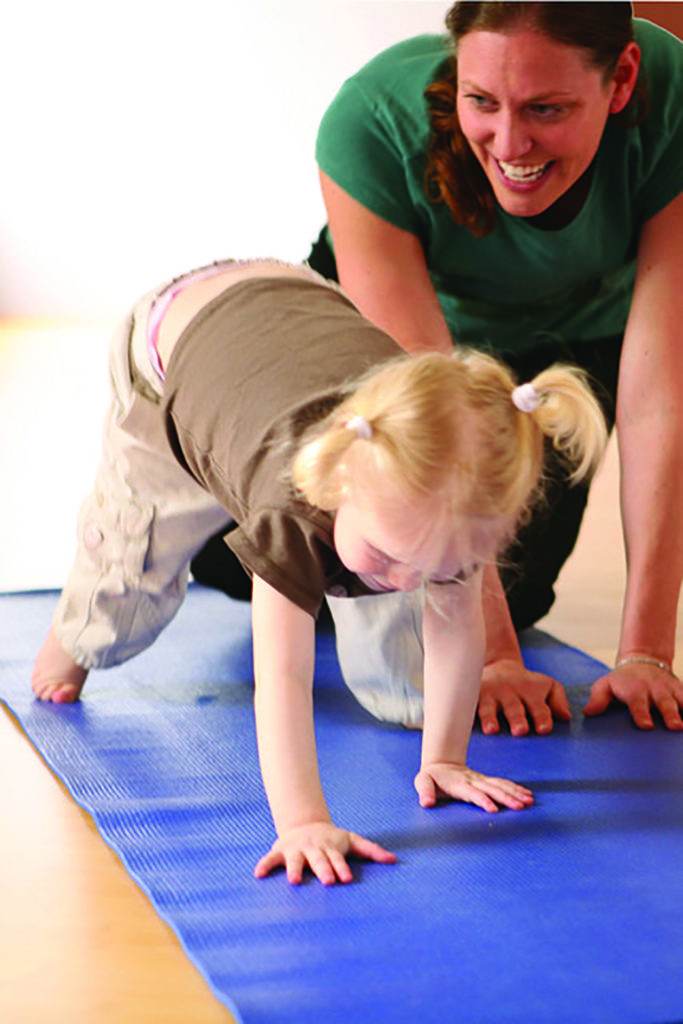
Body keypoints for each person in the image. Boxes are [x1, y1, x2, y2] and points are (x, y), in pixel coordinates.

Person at [31, 259, 605, 884]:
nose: (405, 581)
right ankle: (73, 639)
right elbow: (281, 678)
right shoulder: (293, 512)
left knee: (406, 672)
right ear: (339, 482)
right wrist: (303, 821)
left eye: (432, 569)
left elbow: (455, 626)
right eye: (388, 556)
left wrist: (445, 760)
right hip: (170, 345)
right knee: (130, 562)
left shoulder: (450, 506)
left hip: (296, 311)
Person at [295, 0, 683, 735]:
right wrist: (493, 656)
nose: (508, 142)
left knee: (518, 582)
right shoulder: (370, 124)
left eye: (545, 107)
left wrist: (646, 655)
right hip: (409, 361)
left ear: (621, 79)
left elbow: (660, 392)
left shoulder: (674, 105)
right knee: (314, 556)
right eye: (481, 102)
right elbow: (424, 396)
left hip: (570, 340)